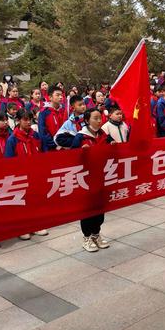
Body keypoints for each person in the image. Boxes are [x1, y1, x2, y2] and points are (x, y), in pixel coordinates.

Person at [5, 108, 48, 240]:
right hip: (20, 175)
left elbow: (43, 151)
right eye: (25, 120)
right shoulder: (12, 139)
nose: (28, 122)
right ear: (18, 121)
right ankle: (23, 228)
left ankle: (35, 225)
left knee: (35, 200)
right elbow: (9, 160)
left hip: (35, 173)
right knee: (21, 202)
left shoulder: (35, 135)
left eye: (30, 119)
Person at [72, 108, 109, 252]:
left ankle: (96, 234)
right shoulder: (80, 137)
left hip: (101, 176)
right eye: (95, 118)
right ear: (87, 120)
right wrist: (82, 153)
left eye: (100, 118)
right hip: (85, 178)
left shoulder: (103, 135)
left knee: (100, 208)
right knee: (88, 208)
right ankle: (86, 237)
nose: (99, 121)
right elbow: (72, 157)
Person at [38, 86, 67, 151]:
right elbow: (43, 132)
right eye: (57, 95)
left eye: (61, 95)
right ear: (50, 97)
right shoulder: (44, 112)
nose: (61, 97)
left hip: (65, 146)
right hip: (50, 148)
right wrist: (54, 145)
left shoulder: (64, 110)